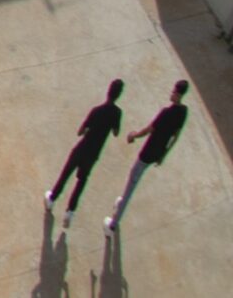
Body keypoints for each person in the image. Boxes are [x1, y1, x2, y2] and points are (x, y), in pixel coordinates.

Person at [107, 81, 190, 232]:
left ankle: (114, 222)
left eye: (173, 92)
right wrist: (164, 155)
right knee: (133, 181)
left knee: (131, 184)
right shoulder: (183, 112)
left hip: (147, 153)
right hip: (157, 153)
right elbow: (175, 137)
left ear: (178, 94)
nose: (171, 94)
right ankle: (120, 204)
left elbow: (149, 130)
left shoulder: (166, 113)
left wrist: (133, 135)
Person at [48, 80, 125, 218]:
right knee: (81, 180)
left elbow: (81, 131)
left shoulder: (96, 111)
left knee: (66, 174)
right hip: (94, 153)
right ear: (118, 95)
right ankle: (70, 211)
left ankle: (52, 199)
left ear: (108, 92)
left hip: (82, 147)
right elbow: (116, 132)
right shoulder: (117, 113)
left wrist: (86, 130)